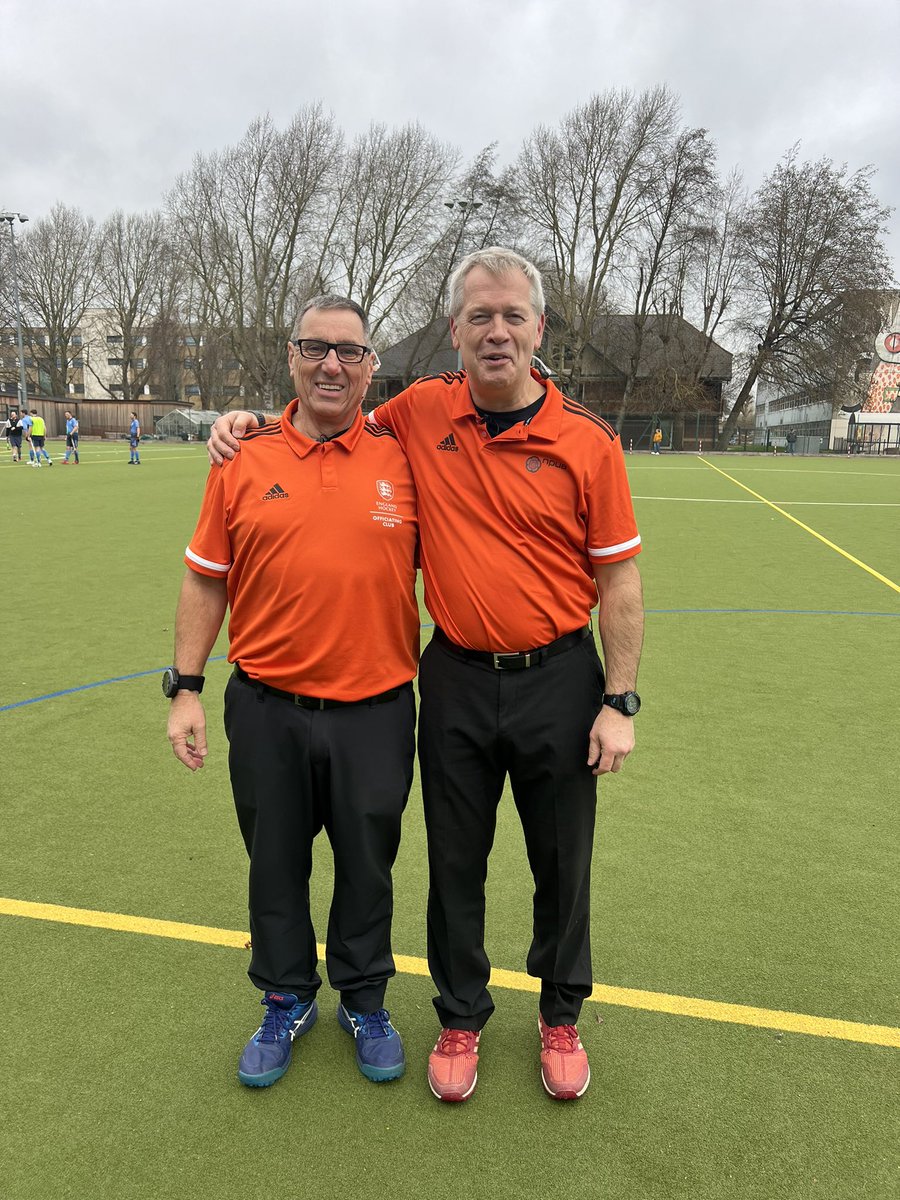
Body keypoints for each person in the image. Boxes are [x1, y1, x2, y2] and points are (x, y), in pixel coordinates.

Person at [209, 249, 644, 1104]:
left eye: (513, 316)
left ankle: (560, 1015)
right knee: (455, 860)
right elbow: (329, 410)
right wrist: (249, 419)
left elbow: (619, 580)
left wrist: (618, 701)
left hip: (560, 677)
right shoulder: (418, 411)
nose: (497, 331)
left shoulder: (589, 440)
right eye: (480, 316)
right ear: (455, 330)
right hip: (453, 677)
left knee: (563, 860)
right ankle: (460, 1016)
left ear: (539, 329)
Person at [168, 296, 419, 1091]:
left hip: (377, 711)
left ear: (371, 366)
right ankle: (285, 998)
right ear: (291, 357)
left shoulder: (405, 456)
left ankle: (364, 999)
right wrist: (185, 689)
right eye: (316, 348)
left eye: (349, 351)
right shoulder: (241, 457)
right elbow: (206, 579)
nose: (331, 365)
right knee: (273, 863)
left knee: (368, 866)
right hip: (267, 708)